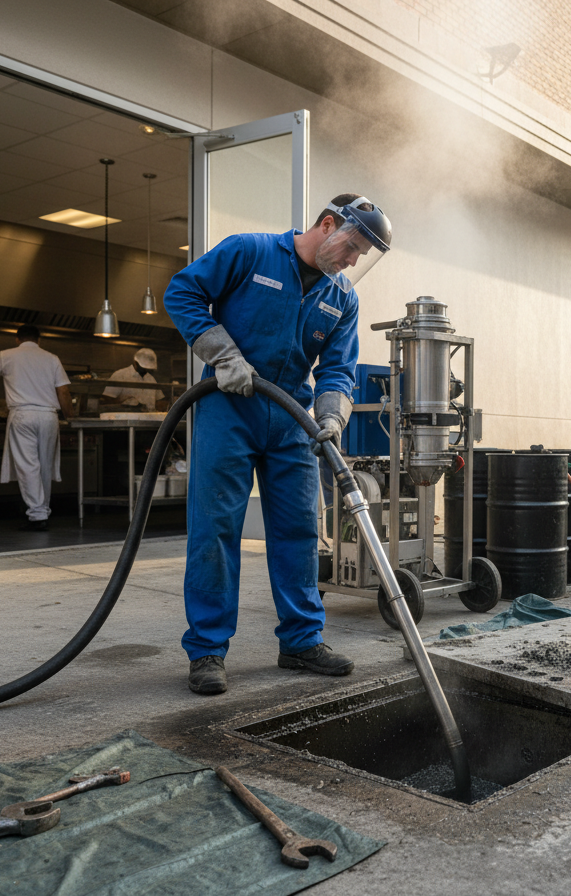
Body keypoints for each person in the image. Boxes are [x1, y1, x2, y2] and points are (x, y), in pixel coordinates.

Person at [163, 194, 392, 695]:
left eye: (361, 255)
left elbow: (337, 368)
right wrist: (222, 354)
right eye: (353, 247)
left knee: (298, 531)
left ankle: (302, 641)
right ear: (327, 224)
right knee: (216, 529)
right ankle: (207, 650)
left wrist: (331, 417)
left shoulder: (342, 297)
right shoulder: (250, 252)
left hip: (292, 419)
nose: (353, 260)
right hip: (230, 408)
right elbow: (182, 293)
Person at [0, 324, 75, 531]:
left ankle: (37, 515)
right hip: (48, 416)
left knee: (28, 466)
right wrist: (71, 417)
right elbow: (63, 391)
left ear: (17, 339)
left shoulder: (6, 355)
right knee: (44, 464)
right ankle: (41, 511)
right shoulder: (52, 358)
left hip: (23, 415)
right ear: (39, 339)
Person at [100, 347, 167, 411]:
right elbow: (106, 400)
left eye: (148, 369)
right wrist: (125, 403)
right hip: (125, 418)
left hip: (149, 418)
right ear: (135, 363)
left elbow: (159, 400)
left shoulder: (151, 379)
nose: (145, 370)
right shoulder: (120, 375)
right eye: (143, 368)